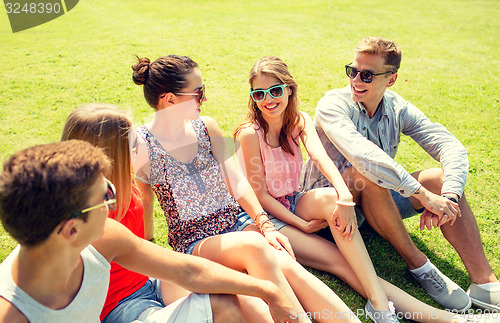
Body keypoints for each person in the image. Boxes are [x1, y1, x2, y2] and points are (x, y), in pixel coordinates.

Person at [234, 56, 496, 323]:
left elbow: (321, 158)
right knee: (342, 264)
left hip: (293, 199)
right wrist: (300, 224)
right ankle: (432, 316)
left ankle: (404, 299)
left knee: (332, 198)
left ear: (289, 89)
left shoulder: (299, 120)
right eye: (259, 94)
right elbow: (261, 196)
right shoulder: (249, 134)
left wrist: (344, 197)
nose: (268, 99)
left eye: (275, 90)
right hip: (271, 215)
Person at [131, 54, 364, 323]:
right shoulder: (142, 144)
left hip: (238, 222)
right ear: (170, 99)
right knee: (255, 247)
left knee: (288, 265)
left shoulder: (207, 126)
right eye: (198, 92)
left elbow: (236, 182)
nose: (204, 99)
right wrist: (149, 253)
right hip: (194, 239)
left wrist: (266, 226)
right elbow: (144, 203)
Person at [301, 36, 499, 312]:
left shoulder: (397, 108)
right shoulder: (332, 105)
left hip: (373, 206)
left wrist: (448, 195)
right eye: (353, 71)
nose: (356, 80)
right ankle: (420, 267)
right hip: (327, 210)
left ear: (390, 79)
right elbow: (363, 155)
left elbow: (447, 144)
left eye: (367, 75)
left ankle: (484, 282)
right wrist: (422, 195)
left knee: (439, 180)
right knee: (366, 172)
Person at [0, 140, 297, 323]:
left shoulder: (104, 236)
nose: (112, 204)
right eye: (105, 197)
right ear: (71, 230)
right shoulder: (13, 313)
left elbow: (188, 271)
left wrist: (269, 291)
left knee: (223, 301)